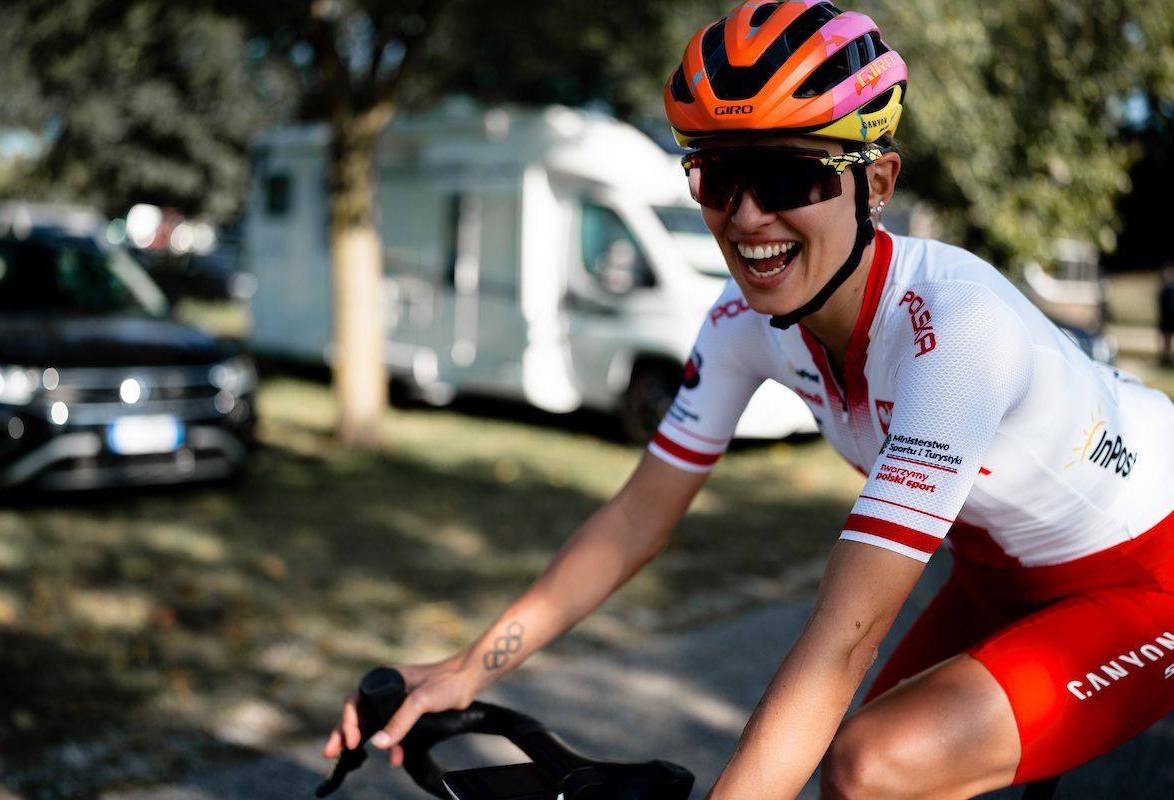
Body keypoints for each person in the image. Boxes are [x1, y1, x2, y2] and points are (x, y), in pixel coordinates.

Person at [324, 2, 1174, 797]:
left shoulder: (955, 334)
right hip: (996, 570)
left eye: (790, 177)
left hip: (1149, 570)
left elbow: (843, 639)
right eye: (718, 177)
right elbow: (637, 518)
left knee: (870, 764)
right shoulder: (742, 322)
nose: (747, 217)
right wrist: (474, 664)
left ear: (876, 183)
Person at [1159, 263, 1174, 366]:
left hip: (1171, 318)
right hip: (1166, 318)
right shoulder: (1163, 289)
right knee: (1166, 341)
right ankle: (1165, 359)